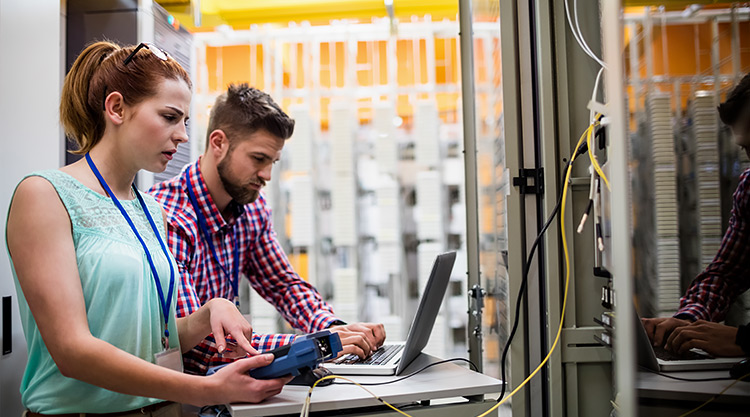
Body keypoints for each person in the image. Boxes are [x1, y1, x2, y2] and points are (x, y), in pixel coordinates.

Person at [6, 41, 292, 416]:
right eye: (170, 117)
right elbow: (72, 351)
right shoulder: (44, 195)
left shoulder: (151, 209)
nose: (184, 136)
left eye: (185, 122)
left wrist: (208, 314)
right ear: (117, 108)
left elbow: (152, 337)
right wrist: (205, 389)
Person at [148, 83, 386, 375]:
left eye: (272, 162)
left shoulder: (250, 208)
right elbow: (199, 345)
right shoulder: (168, 217)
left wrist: (334, 328)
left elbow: (283, 285)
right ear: (219, 143)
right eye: (258, 159)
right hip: (186, 394)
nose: (267, 175)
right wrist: (319, 346)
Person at [642, 73, 750, 358]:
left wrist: (744, 341)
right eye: (747, 149)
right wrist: (686, 320)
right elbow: (726, 273)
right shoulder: (749, 189)